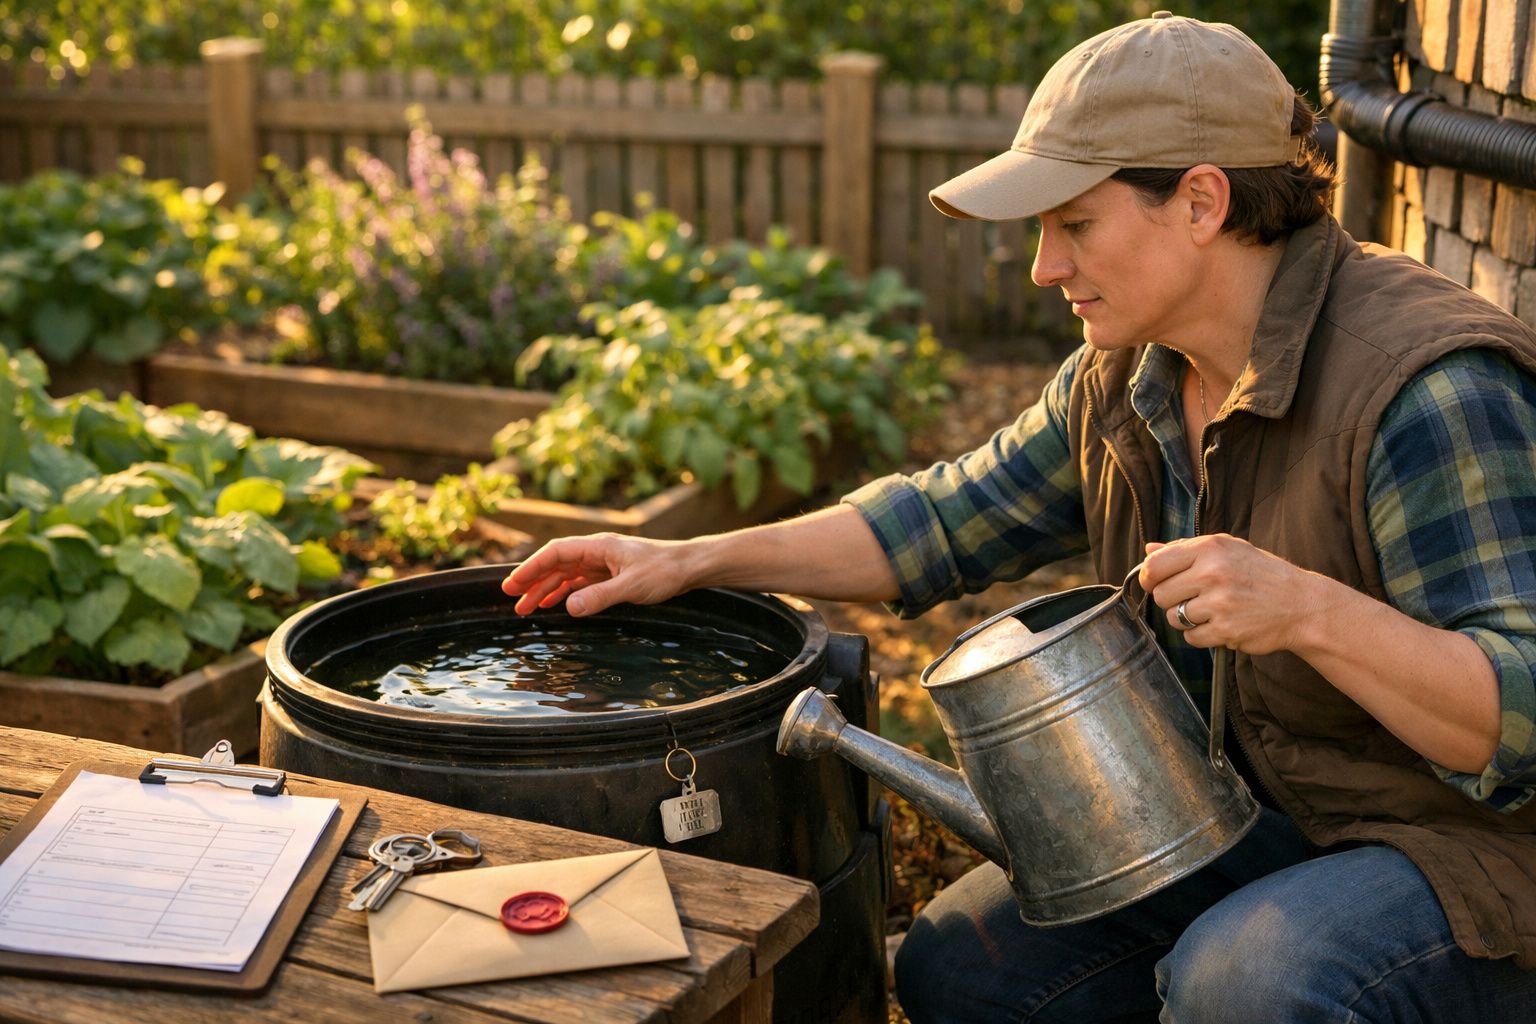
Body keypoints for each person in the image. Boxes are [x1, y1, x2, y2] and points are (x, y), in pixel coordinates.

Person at [502, 13, 1536, 1021]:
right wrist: (687, 556)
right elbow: (940, 520)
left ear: (1202, 201)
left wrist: (1306, 609)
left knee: (1246, 981)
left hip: (1472, 860)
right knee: (968, 965)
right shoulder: (1130, 372)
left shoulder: (1426, 391)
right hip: (1275, 821)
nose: (1045, 267)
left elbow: (1523, 711)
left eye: (1074, 224)